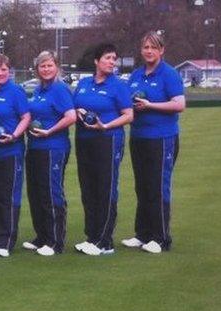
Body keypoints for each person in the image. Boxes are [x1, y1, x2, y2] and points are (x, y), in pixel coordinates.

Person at [123, 31, 185, 254]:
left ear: (161, 50)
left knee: (157, 187)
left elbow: (179, 104)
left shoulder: (169, 74)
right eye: (145, 47)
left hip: (162, 138)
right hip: (138, 137)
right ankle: (143, 234)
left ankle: (160, 238)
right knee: (143, 186)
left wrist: (150, 105)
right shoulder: (136, 75)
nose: (149, 51)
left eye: (153, 47)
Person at [73, 43, 134, 256]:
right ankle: (92, 236)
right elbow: (74, 107)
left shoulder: (118, 86)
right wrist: (78, 110)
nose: (111, 62)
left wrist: (105, 126)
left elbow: (128, 115)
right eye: (107, 58)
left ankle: (104, 241)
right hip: (84, 140)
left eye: (114, 58)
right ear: (96, 61)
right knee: (88, 189)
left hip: (107, 140)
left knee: (105, 189)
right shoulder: (83, 84)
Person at [24, 51, 76, 256]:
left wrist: (50, 130)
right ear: (37, 69)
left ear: (56, 67)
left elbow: (71, 116)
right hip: (35, 148)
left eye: (49, 66)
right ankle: (42, 237)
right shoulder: (38, 90)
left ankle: (55, 241)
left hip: (54, 148)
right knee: (36, 193)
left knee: (51, 192)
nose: (46, 69)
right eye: (42, 66)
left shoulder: (60, 89)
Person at [0, 54, 30, 257]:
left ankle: (6, 240)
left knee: (7, 196)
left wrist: (15, 135)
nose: (0, 73)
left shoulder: (16, 91)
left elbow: (26, 117)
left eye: (4, 70)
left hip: (10, 152)